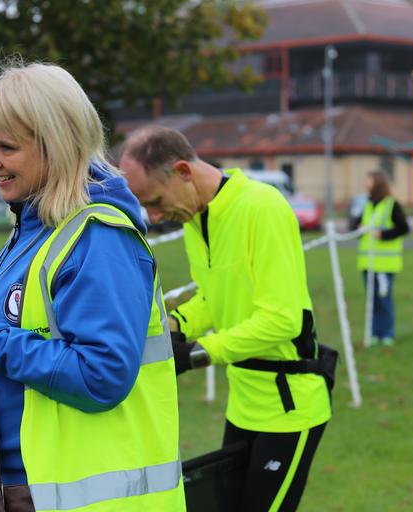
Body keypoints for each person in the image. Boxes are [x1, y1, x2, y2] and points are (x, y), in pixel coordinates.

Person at [0, 63, 185, 512]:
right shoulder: (35, 229)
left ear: (57, 144)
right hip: (27, 490)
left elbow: (100, 376)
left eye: (6, 147)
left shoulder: (98, 238)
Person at [120, 126, 332, 512]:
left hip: (290, 408)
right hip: (243, 404)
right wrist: (171, 327)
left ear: (183, 171)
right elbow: (212, 296)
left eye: (156, 201)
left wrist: (198, 353)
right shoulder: (195, 219)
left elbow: (282, 319)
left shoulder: (261, 207)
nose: (154, 215)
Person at [349, 170, 410, 347]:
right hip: (367, 263)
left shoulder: (392, 205)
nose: (366, 184)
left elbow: (404, 228)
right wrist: (358, 227)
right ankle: (375, 333)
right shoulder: (367, 204)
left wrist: (382, 234)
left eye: (369, 181)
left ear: (378, 183)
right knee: (372, 300)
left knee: (383, 299)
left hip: (385, 264)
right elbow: (354, 225)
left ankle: (387, 333)